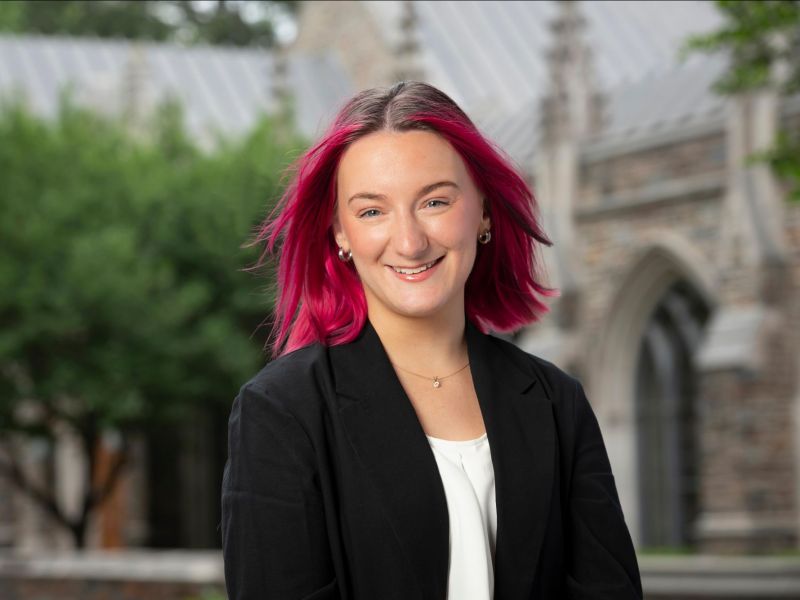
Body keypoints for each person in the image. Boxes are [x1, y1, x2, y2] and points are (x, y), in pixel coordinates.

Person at [221, 81, 642, 600]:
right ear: (340, 234)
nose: (410, 241)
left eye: (435, 201)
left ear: (483, 212)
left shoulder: (557, 402)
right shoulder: (282, 411)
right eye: (372, 211)